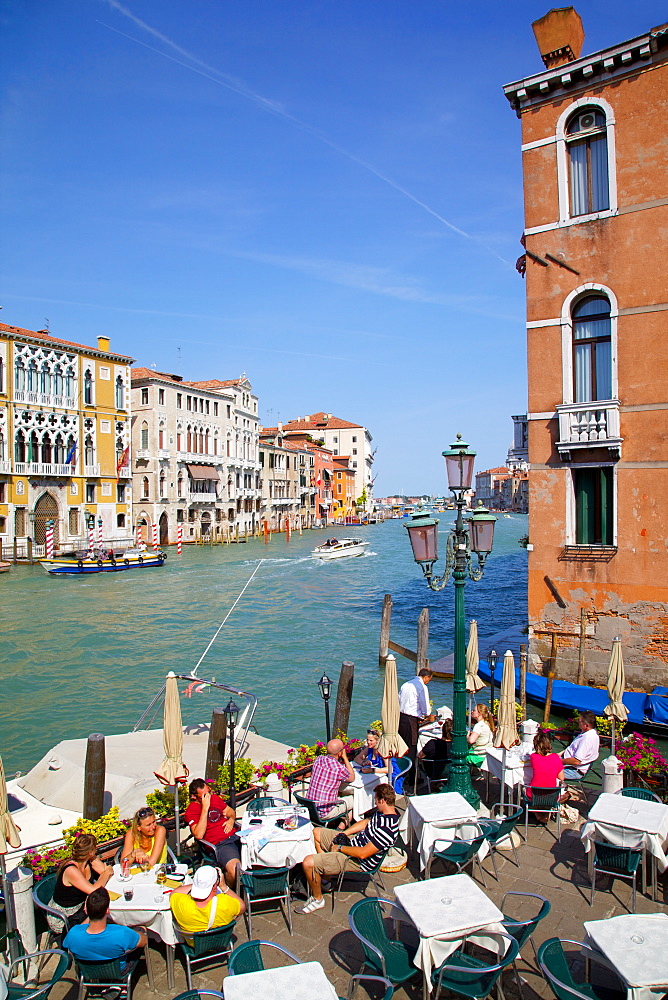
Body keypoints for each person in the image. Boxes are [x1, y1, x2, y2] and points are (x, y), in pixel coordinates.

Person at [298, 784, 400, 914]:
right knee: (316, 832)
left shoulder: (388, 829)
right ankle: (326, 879)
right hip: (351, 843)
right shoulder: (382, 813)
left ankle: (317, 899)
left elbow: (363, 854)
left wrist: (340, 848)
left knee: (308, 863)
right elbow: (365, 823)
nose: (375, 802)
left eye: (376, 800)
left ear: (382, 800)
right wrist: (344, 834)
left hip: (356, 860)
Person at [63, 888, 147, 968]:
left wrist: (91, 912)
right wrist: (139, 931)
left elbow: (73, 937)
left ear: (86, 911)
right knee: (141, 930)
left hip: (88, 971)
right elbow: (144, 941)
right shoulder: (121, 933)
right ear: (107, 911)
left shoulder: (73, 934)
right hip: (117, 971)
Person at [48, 834, 113, 932]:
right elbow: (94, 890)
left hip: (82, 906)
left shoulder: (88, 861)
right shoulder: (71, 870)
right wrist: (106, 872)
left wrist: (105, 871)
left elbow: (107, 872)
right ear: (90, 852)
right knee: (102, 911)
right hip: (64, 916)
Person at [184, 778, 241, 887]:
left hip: (237, 835)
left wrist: (231, 820)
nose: (209, 797)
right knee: (235, 870)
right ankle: (228, 891)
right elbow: (198, 834)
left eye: (209, 792)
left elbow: (230, 811)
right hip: (221, 844)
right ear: (194, 797)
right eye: (204, 796)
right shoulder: (192, 810)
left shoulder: (215, 799)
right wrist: (205, 808)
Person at [170, 864, 245, 945]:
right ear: (215, 884)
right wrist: (223, 886)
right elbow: (242, 906)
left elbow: (174, 892)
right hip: (220, 942)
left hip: (194, 945)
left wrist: (200, 884)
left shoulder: (181, 903)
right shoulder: (225, 903)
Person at [306, 739, 355, 820]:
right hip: (325, 812)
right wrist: (345, 758)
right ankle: (342, 826)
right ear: (340, 753)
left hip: (310, 807)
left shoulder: (318, 759)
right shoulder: (338, 768)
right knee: (357, 799)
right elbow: (352, 777)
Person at [398, 668, 436, 764]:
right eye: (428, 680)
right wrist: (427, 715)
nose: (428, 682)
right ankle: (410, 773)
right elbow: (425, 707)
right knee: (412, 746)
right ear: (426, 677)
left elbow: (399, 700)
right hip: (411, 720)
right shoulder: (421, 687)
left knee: (402, 744)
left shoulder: (406, 685)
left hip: (401, 717)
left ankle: (400, 766)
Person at [559, 711, 600, 796]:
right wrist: (559, 754)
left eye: (580, 721)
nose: (578, 723)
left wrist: (558, 761)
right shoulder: (586, 733)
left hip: (574, 770)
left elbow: (576, 761)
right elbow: (572, 749)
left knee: (545, 769)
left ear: (586, 725)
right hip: (568, 762)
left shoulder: (587, 739)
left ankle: (557, 794)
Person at [528, 731, 565, 802]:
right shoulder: (555, 757)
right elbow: (561, 777)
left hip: (534, 794)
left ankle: (535, 811)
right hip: (551, 795)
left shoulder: (533, 756)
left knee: (524, 785)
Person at [418, 717, 453, 784]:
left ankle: (435, 784)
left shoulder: (432, 743)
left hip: (433, 772)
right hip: (451, 771)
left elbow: (420, 756)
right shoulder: (456, 745)